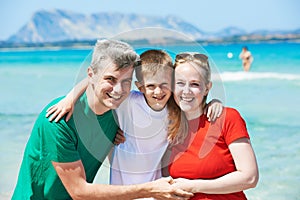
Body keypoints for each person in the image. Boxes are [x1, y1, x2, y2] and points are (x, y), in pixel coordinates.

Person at [12, 40, 194, 200]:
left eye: (126, 81)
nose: (118, 90)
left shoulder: (117, 113)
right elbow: (79, 191)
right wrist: (151, 190)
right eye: (110, 79)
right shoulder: (58, 120)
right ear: (90, 74)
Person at [46, 50, 223, 188]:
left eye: (164, 85)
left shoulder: (174, 108)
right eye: (151, 86)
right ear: (140, 86)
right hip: (121, 188)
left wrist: (214, 102)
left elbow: (195, 104)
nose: (158, 92)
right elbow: (96, 81)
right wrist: (70, 98)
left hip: (155, 188)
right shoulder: (128, 101)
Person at [165, 52, 259, 199]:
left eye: (195, 84)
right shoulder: (168, 125)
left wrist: (193, 186)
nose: (186, 91)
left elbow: (250, 177)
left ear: (207, 88)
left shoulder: (227, 118)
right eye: (180, 83)